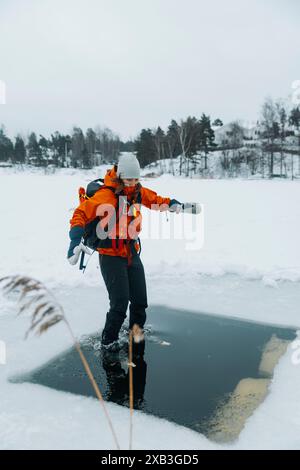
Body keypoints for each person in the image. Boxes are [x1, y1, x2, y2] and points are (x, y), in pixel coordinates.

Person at [67, 154, 182, 350]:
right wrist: (74, 240)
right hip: (110, 256)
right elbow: (80, 213)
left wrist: (170, 203)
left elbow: (155, 200)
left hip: (130, 251)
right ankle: (108, 343)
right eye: (129, 179)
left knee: (140, 301)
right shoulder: (106, 195)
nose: (132, 183)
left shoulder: (137, 192)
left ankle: (136, 336)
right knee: (119, 305)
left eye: (136, 179)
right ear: (120, 176)